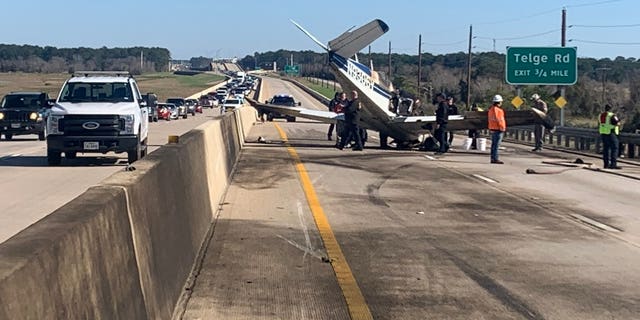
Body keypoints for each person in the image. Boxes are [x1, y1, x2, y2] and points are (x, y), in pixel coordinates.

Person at [599, 104, 621, 169]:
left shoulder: (601, 115)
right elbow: (617, 123)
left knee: (606, 149)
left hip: (603, 133)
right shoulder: (612, 115)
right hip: (611, 133)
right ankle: (613, 164)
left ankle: (606, 164)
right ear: (611, 109)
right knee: (614, 148)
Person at [488, 94, 506, 164]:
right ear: (499, 102)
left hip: (492, 128)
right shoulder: (499, 110)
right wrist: (502, 128)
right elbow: (500, 120)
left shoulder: (491, 110)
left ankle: (493, 158)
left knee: (493, 144)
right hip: (498, 129)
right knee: (496, 145)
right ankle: (495, 158)